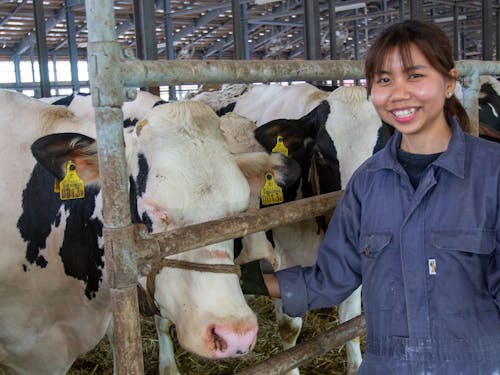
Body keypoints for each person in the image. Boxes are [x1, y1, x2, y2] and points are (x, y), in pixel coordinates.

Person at [243, 19, 500, 374]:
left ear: (450, 83)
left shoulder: (492, 173)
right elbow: (331, 280)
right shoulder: (366, 182)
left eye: (415, 76)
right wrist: (242, 281)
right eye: (383, 80)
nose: (398, 93)